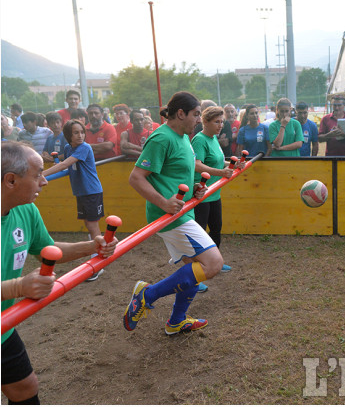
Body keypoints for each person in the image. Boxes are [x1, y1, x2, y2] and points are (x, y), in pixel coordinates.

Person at [1, 141, 117, 404]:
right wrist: (18, 287)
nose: (44, 181)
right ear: (10, 181)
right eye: (37, 174)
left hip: (3, 328)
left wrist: (92, 246)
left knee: (25, 388)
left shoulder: (25, 210)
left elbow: (49, 249)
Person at [125, 91, 225, 335]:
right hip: (170, 217)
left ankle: (176, 321)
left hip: (182, 212)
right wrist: (164, 203)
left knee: (194, 266)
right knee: (213, 264)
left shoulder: (183, 139)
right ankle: (147, 294)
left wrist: (195, 190)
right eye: (195, 115)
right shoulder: (161, 138)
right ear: (180, 114)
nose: (198, 120)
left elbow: (177, 175)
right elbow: (136, 178)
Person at [42, 120, 106, 282]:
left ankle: (98, 262)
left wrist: (41, 175)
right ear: (68, 135)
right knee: (89, 224)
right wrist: (46, 174)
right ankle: (98, 255)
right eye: (76, 133)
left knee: (92, 225)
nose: (80, 135)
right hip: (81, 192)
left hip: (92, 191)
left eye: (82, 132)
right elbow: (66, 167)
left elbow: (65, 164)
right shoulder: (68, 148)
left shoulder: (85, 147)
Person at [192, 105, 238, 290]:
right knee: (200, 234)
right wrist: (221, 171)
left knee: (216, 229)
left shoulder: (213, 139)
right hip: (202, 194)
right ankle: (196, 275)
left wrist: (233, 164)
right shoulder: (200, 140)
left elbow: (218, 161)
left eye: (222, 122)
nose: (220, 126)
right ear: (205, 122)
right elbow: (196, 164)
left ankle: (215, 263)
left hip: (215, 193)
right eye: (216, 122)